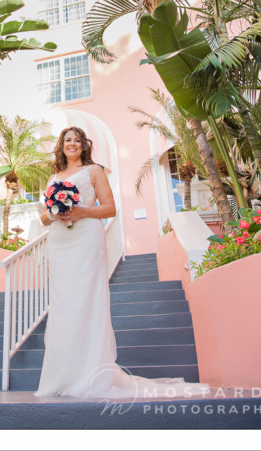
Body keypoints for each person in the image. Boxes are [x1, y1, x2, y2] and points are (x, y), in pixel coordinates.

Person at [34, 126, 211, 400]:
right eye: (68, 140)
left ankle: (89, 374)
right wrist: (55, 213)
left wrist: (80, 211)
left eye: (77, 140)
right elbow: (43, 218)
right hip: (60, 243)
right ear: (61, 145)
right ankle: (62, 375)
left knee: (86, 301)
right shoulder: (53, 177)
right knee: (63, 306)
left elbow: (110, 209)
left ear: (84, 145)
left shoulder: (94, 171)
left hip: (85, 240)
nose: (72, 144)